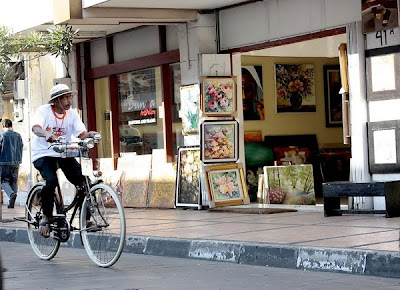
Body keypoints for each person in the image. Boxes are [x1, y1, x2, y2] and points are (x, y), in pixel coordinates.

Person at [31, 84, 98, 238]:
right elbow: (35, 128)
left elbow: (81, 133)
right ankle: (46, 217)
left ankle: (86, 220)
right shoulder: (44, 111)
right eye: (65, 98)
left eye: (70, 97)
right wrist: (46, 134)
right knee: (51, 180)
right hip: (43, 153)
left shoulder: (72, 114)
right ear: (55, 101)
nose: (69, 100)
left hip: (63, 152)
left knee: (84, 182)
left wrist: (89, 135)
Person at [0, 119, 23, 208]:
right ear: (11, 125)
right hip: (16, 161)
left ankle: (11, 194)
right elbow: (21, 146)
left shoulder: (2, 135)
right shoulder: (18, 135)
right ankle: (11, 201)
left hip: (3, 161)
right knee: (14, 180)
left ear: (3, 126)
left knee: (3, 180)